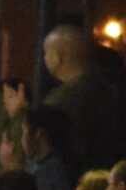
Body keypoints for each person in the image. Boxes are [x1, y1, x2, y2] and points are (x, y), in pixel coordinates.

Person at [43, 20, 126, 179]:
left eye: (46, 53)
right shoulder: (106, 90)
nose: (44, 59)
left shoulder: (61, 100)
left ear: (58, 57)